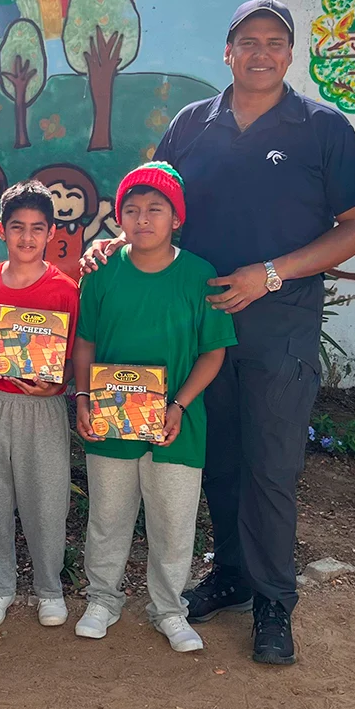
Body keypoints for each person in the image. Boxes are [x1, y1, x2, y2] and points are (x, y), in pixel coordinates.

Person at [84, 0, 355, 665]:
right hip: (195, 333)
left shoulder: (320, 128)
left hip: (279, 328)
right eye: (248, 41)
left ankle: (276, 602)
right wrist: (111, 245)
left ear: (290, 53)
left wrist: (271, 274)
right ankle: (231, 577)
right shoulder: (193, 125)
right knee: (214, 462)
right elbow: (150, 202)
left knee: (271, 468)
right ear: (228, 51)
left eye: (275, 42)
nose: (261, 53)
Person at [72, 163, 235, 651]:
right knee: (107, 515)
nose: (142, 219)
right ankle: (102, 599)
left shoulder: (200, 275)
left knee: (174, 520)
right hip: (109, 421)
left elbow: (214, 352)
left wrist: (181, 404)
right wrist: (82, 395)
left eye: (155, 209)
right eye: (132, 209)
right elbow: (85, 343)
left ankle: (168, 608)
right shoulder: (102, 275)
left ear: (176, 218)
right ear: (119, 217)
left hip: (176, 426)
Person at [0, 181, 79, 629]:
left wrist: (60, 386)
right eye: (17, 228)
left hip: (43, 409)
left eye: (37, 228)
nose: (27, 238)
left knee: (47, 500)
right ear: (1, 229)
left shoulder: (64, 290)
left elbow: (73, 357)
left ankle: (49, 589)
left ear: (51, 232)